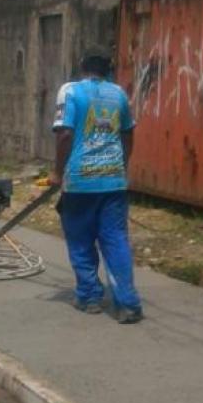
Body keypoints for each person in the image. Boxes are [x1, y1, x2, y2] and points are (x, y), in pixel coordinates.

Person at [49, 51, 143, 324]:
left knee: (80, 241)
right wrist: (121, 167)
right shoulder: (119, 94)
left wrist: (56, 171)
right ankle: (128, 304)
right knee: (115, 241)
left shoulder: (70, 91)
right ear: (107, 70)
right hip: (113, 181)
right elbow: (128, 133)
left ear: (82, 67)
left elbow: (65, 133)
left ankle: (89, 297)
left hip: (80, 182)